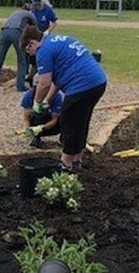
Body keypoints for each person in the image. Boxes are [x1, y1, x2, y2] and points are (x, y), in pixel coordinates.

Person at [20, 26, 106, 171]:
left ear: (31, 44)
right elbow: (57, 81)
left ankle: (66, 165)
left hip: (81, 85)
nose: (31, 55)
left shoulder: (43, 51)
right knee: (81, 121)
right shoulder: (58, 40)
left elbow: (44, 83)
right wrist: (47, 100)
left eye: (28, 51)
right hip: (97, 82)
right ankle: (77, 160)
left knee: (68, 123)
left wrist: (37, 102)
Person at [0, 4, 37, 92]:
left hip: (4, 31)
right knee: (22, 60)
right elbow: (35, 31)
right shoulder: (30, 15)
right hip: (16, 32)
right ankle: (20, 86)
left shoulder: (15, 12)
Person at [20, 75, 64, 148]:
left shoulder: (57, 96)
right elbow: (26, 118)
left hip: (52, 125)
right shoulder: (28, 95)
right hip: (37, 122)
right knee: (36, 114)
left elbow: (55, 119)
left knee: (66, 117)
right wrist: (27, 129)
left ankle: (64, 139)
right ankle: (36, 138)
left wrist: (42, 128)